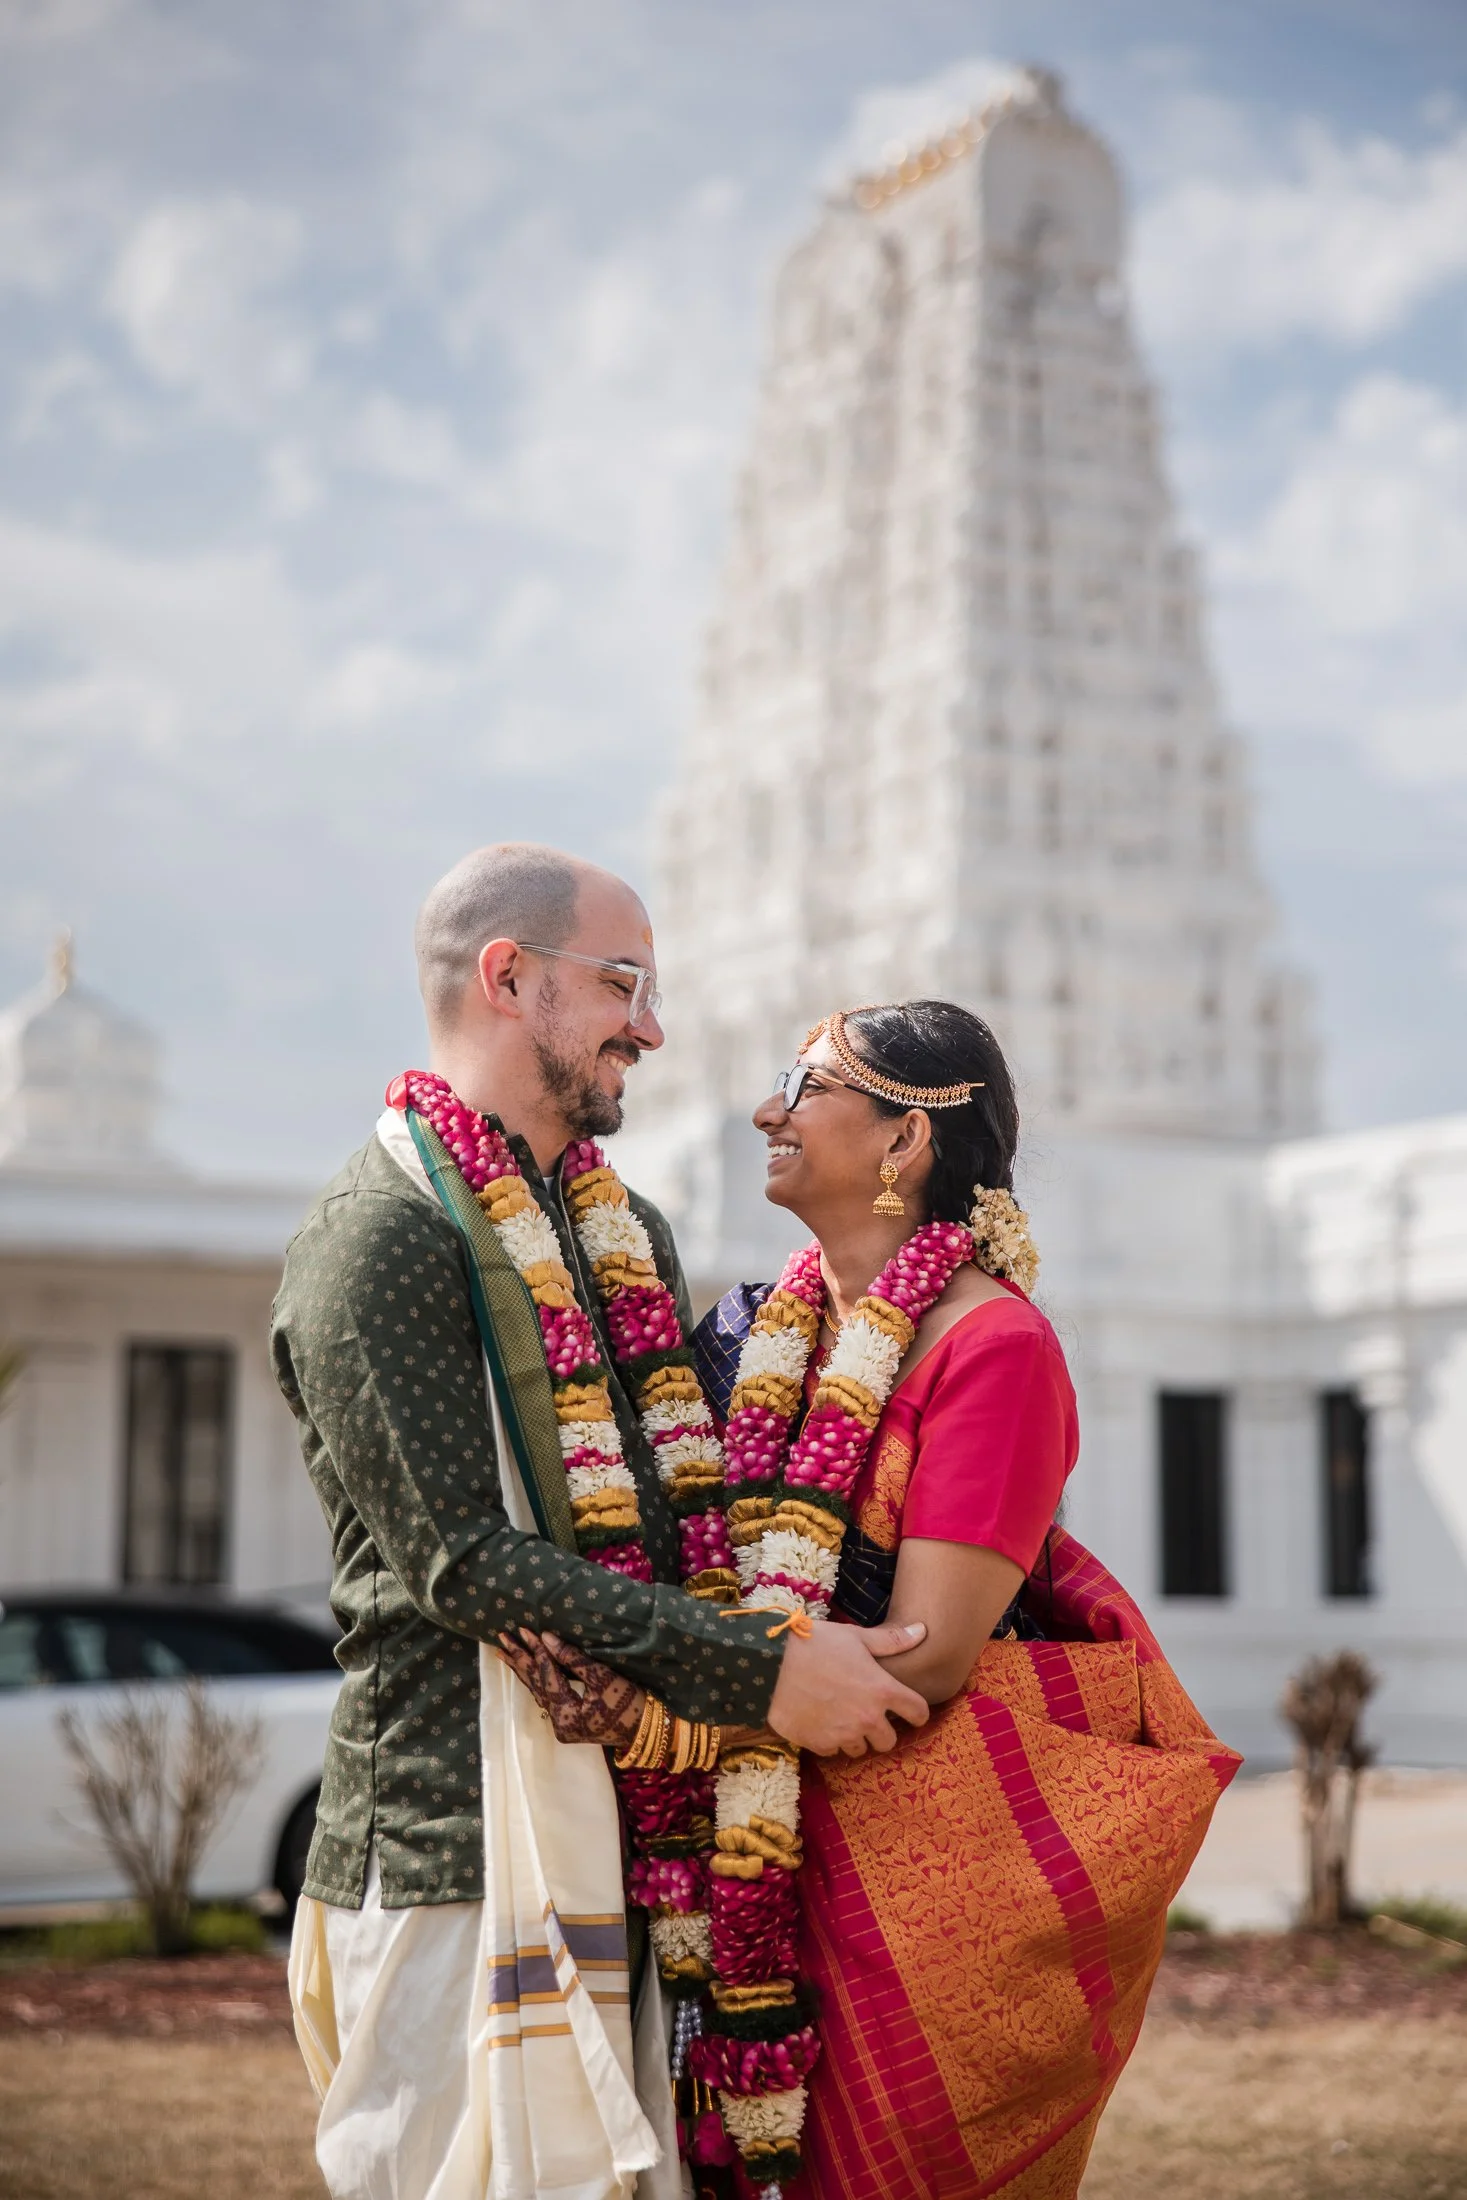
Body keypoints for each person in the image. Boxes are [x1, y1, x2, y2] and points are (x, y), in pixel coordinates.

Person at [270, 846, 932, 2200]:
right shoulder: (382, 1232)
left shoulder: (618, 1229)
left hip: (635, 1829)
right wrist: (761, 1673)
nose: (652, 1025)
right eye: (622, 984)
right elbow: (461, 1559)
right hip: (454, 1842)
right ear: (507, 980)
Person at [516, 999, 1239, 2200]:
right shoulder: (757, 1332)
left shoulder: (989, 1347)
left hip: (917, 1895)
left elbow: (926, 1657)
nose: (766, 1112)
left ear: (906, 1142)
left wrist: (656, 1718)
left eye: (805, 1089)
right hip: (735, 1855)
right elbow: (661, 1542)